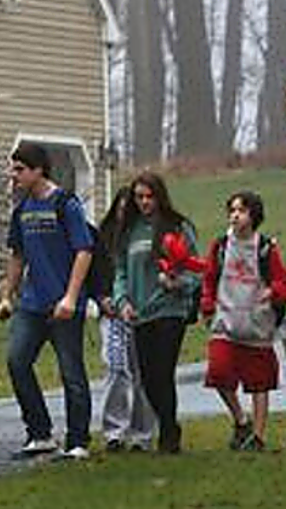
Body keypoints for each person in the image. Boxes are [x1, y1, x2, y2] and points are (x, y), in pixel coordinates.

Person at [0, 142, 94, 460]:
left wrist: (71, 297)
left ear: (38, 170)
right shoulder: (22, 210)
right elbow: (18, 254)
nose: (14, 175)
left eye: (20, 169)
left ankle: (78, 441)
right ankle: (39, 434)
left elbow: (84, 251)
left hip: (64, 306)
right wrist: (7, 296)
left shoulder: (66, 204)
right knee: (17, 361)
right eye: (13, 169)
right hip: (32, 304)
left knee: (71, 373)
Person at [200, 190, 286, 451]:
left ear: (253, 215)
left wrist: (273, 292)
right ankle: (240, 420)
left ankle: (258, 435)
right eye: (231, 210)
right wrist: (207, 306)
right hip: (225, 321)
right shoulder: (220, 246)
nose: (235, 216)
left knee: (259, 382)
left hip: (257, 324)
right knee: (218, 373)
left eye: (241, 211)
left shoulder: (265, 248)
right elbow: (209, 277)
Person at [112, 171, 199, 453]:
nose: (145, 202)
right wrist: (122, 301)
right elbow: (121, 272)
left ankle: (169, 437)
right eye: (139, 197)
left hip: (169, 310)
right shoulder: (130, 231)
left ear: (160, 196)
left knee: (163, 372)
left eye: (150, 196)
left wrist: (177, 283)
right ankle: (168, 423)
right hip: (139, 313)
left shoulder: (178, 227)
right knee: (148, 379)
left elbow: (196, 271)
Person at [96, 186, 154, 452]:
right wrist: (100, 297)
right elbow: (91, 271)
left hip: (142, 311)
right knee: (115, 367)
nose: (123, 213)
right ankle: (113, 431)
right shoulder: (102, 238)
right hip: (112, 314)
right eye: (120, 207)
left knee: (142, 372)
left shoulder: (144, 235)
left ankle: (141, 433)